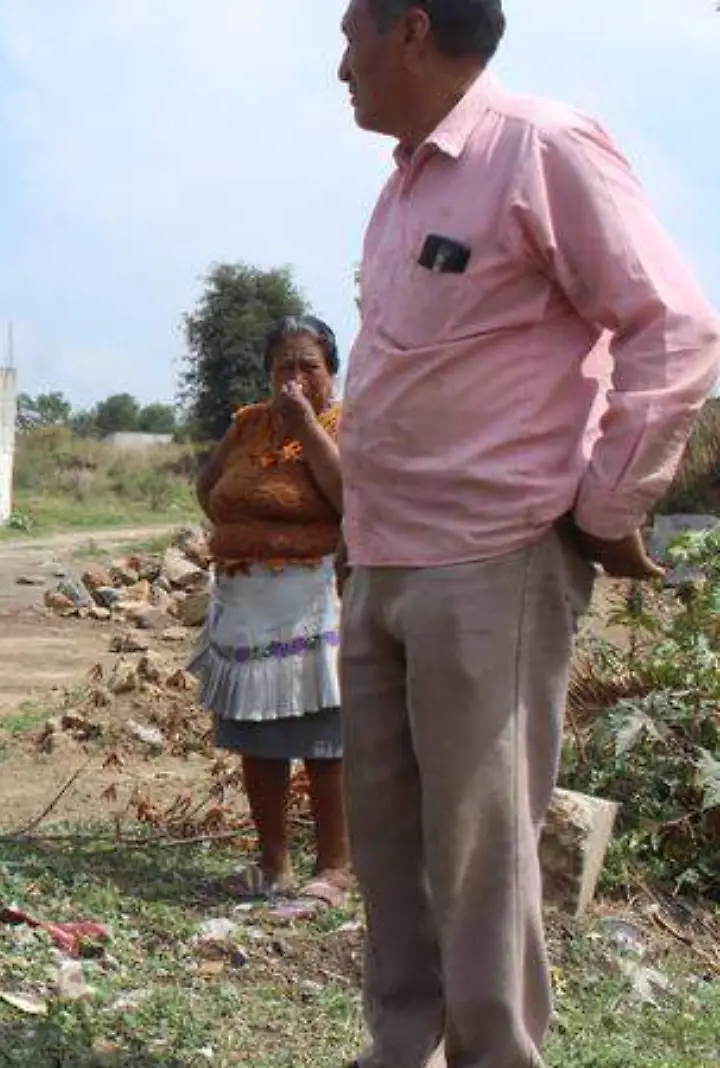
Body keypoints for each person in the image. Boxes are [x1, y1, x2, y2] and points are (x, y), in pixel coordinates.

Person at [334, 2, 720, 1066]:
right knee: (391, 844)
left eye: (349, 35)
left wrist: (605, 508)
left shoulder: (539, 146)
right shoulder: (403, 185)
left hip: (490, 559)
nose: (339, 67)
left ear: (409, 29)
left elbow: (673, 328)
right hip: (383, 560)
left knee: (481, 855)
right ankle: (400, 1048)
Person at [190, 315, 352, 908]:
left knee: (323, 738)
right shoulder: (247, 425)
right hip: (246, 603)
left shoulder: (343, 423)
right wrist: (245, 534)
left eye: (308, 364)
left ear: (330, 371)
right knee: (258, 737)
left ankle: (335, 867)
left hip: (314, 605)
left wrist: (306, 427)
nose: (294, 376)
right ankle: (272, 862)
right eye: (283, 364)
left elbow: (348, 496)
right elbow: (209, 489)